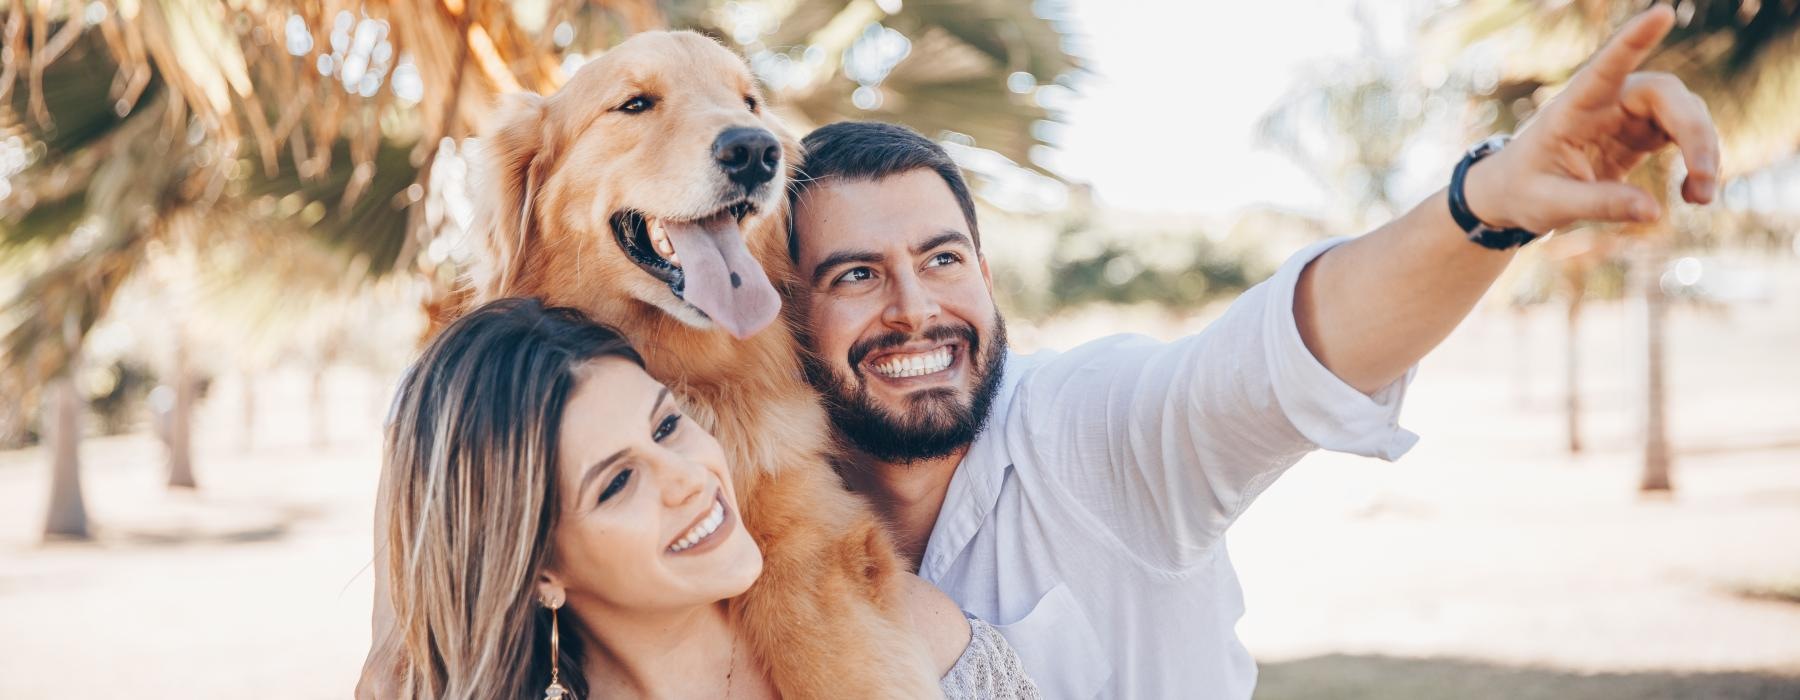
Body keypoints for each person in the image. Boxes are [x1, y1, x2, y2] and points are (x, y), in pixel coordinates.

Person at [783, 7, 1718, 698]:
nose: (917, 311)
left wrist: (1486, 207)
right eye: (855, 276)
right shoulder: (760, 514)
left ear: (985, 275)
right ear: (785, 313)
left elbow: (1282, 358)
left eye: (942, 260)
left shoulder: (1090, 428)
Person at [375, 298, 1039, 698]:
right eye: (617, 482)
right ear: (537, 568)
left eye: (667, 426)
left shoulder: (899, 630)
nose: (688, 476)